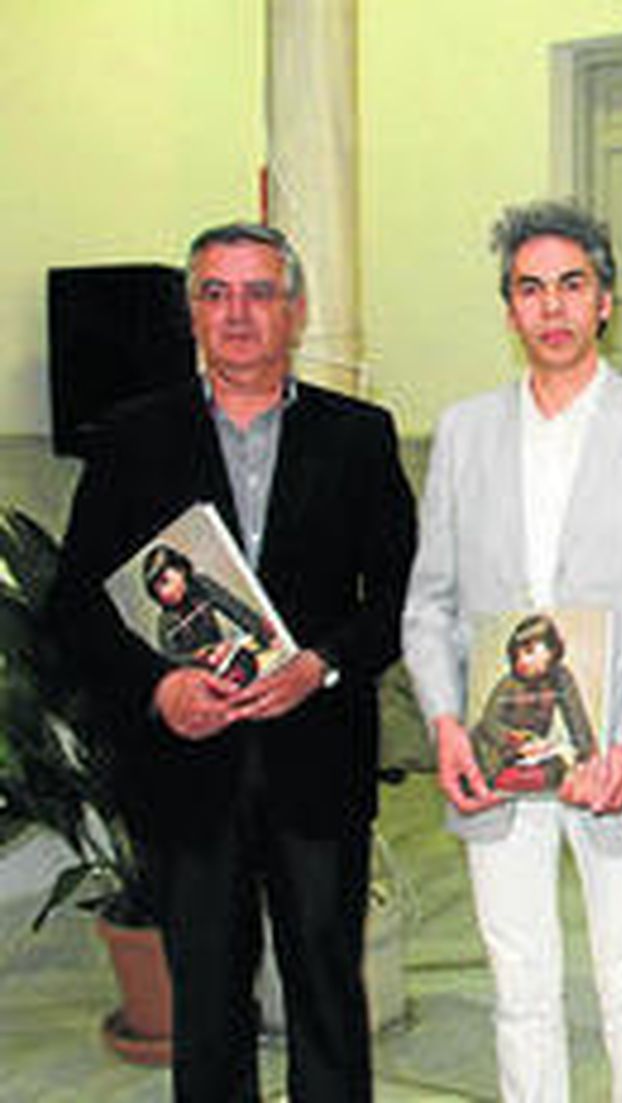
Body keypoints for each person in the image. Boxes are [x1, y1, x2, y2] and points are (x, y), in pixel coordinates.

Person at [49, 222, 417, 1101]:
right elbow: (76, 602)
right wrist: (158, 685)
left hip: (318, 760)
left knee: (328, 994)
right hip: (186, 767)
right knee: (207, 1005)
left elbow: (405, 596)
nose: (238, 313)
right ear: (191, 313)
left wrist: (321, 664)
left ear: (293, 310)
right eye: (216, 293)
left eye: (259, 292)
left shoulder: (359, 435)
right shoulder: (131, 437)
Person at [402, 200, 622, 1103]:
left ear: (606, 301)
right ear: (509, 309)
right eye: (529, 289)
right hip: (494, 758)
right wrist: (444, 724)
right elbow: (428, 604)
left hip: (620, 757)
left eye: (571, 285)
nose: (552, 308)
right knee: (520, 990)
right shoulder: (464, 431)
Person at [471, 613, 597, 794]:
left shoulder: (561, 678)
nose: (521, 661)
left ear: (552, 650)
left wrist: (587, 756)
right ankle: (495, 779)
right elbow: (489, 722)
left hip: (532, 753)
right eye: (517, 655)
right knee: (500, 774)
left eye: (529, 652)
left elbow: (576, 718)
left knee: (558, 770)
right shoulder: (509, 683)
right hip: (495, 750)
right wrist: (516, 740)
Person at [143, 543, 278, 686]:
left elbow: (233, 607)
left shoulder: (201, 585)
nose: (163, 594)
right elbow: (169, 661)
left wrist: (261, 631)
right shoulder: (166, 622)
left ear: (181, 570)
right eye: (156, 590)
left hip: (225, 660)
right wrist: (197, 657)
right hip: (198, 678)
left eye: (165, 581)